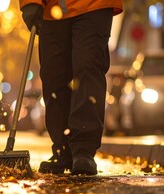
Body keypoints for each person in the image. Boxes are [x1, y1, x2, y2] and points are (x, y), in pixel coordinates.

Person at [19, 0, 123, 175]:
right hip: (52, 8)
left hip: (93, 5)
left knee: (87, 69)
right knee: (54, 75)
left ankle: (83, 149)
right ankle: (62, 149)